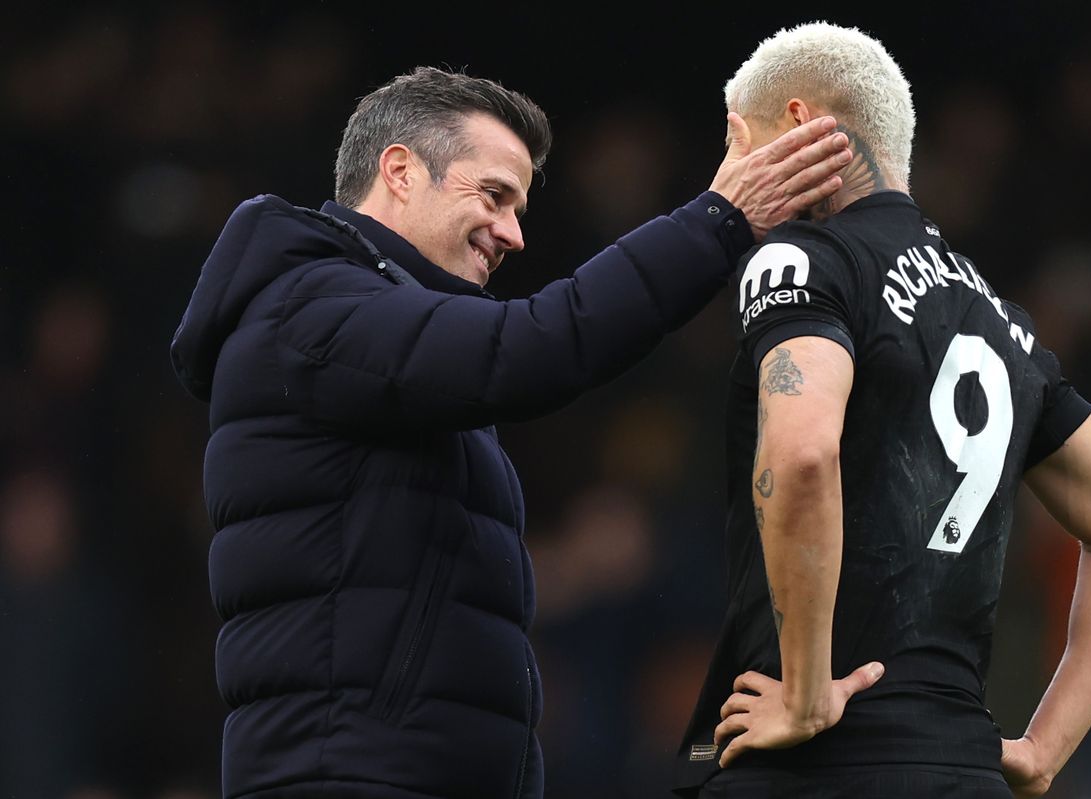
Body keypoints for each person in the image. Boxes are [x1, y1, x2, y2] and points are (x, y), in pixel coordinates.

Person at [169, 65, 852, 799]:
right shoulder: (314, 306)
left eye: (519, 207)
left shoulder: (389, 351)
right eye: (493, 195)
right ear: (399, 171)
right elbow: (532, 346)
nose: (514, 234)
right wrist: (720, 219)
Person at [673, 22, 1091, 799]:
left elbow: (804, 452)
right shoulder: (1001, 322)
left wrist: (808, 692)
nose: (728, 179)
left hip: (817, 769)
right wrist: (1044, 748)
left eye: (740, 145)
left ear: (807, 130)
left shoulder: (802, 261)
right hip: (960, 769)